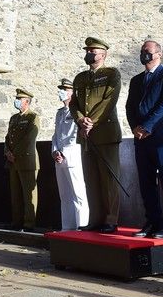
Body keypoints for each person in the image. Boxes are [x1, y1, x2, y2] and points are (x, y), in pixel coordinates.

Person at [125, 40, 163, 239]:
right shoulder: (136, 80)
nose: (144, 54)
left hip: (162, 138)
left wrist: (148, 126)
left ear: (158, 54)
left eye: (147, 51)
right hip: (141, 138)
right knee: (146, 182)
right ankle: (153, 221)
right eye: (142, 51)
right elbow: (130, 107)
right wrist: (135, 128)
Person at [70, 37, 122, 233]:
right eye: (88, 50)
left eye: (93, 51)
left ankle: (110, 220)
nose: (89, 53)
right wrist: (80, 119)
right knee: (91, 179)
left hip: (105, 132)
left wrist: (91, 122)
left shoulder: (111, 74)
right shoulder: (80, 78)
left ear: (103, 54)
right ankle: (95, 219)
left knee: (109, 179)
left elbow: (110, 99)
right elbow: (74, 103)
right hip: (85, 135)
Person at [51, 79, 88, 231]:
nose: (61, 92)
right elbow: (56, 135)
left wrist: (63, 152)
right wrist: (55, 151)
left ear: (72, 92)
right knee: (65, 195)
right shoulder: (60, 113)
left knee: (78, 193)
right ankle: (67, 227)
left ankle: (82, 226)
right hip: (59, 157)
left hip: (72, 155)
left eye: (65, 89)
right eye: (61, 89)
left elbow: (75, 135)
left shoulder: (77, 111)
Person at [4, 88, 40, 231]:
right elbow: (8, 138)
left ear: (27, 102)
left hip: (26, 160)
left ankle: (29, 223)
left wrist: (14, 154)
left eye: (19, 99)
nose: (17, 101)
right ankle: (16, 222)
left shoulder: (32, 117)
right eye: (16, 99)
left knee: (29, 194)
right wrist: (7, 152)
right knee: (16, 194)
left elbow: (29, 139)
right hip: (12, 161)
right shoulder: (14, 118)